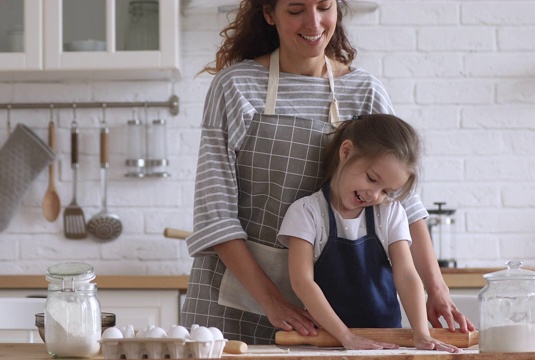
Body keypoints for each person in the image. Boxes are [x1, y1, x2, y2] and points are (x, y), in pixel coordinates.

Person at [181, 0, 474, 345]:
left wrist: (436, 290)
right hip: (235, 297)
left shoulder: (363, 91)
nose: (314, 22)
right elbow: (215, 216)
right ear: (269, 14)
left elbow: (404, 204)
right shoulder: (236, 87)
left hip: (332, 305)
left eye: (324, 7)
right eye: (296, 10)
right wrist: (272, 300)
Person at [278, 114, 459, 352]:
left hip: (386, 344)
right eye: (372, 179)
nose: (375, 195)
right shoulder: (306, 212)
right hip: (327, 345)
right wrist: (346, 337)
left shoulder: (390, 213)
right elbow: (302, 282)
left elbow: (406, 275)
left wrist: (421, 334)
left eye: (386, 191)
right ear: (346, 152)